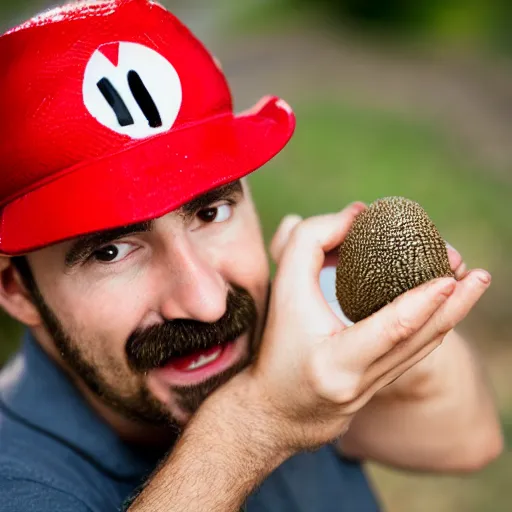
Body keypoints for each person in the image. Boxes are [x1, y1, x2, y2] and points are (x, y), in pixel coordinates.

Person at [0, 1, 503, 511]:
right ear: (16, 287)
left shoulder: (288, 349)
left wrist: (388, 331)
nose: (207, 303)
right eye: (110, 251)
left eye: (211, 213)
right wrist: (261, 423)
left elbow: (467, 439)